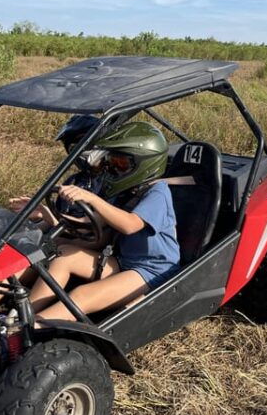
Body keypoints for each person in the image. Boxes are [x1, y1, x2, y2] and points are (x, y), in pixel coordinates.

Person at [18, 120, 181, 326]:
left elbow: (130, 225)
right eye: (112, 162)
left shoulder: (157, 192)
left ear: (145, 164)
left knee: (83, 294)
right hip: (122, 261)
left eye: (121, 164)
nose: (113, 168)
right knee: (64, 254)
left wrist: (93, 199)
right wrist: (47, 215)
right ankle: (20, 315)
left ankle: (25, 329)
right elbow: (89, 223)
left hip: (153, 270)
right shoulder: (125, 191)